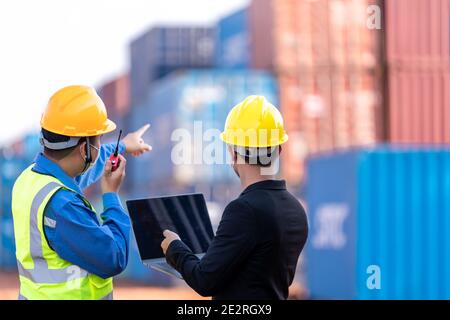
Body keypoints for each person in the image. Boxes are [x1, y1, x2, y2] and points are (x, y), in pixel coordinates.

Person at [161, 95, 308, 300]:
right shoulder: (296, 210)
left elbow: (204, 280)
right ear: (279, 150)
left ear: (234, 153)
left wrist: (174, 248)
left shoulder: (244, 210)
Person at [12, 85, 151, 300]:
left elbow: (81, 169)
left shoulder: (30, 179)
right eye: (98, 139)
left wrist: (123, 145)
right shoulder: (63, 205)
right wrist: (111, 196)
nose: (100, 144)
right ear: (84, 149)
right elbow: (114, 257)